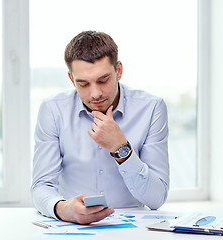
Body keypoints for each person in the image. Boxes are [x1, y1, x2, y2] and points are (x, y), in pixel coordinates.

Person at [31, 30, 169, 224]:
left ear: (118, 70)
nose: (95, 94)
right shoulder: (53, 109)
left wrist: (121, 148)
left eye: (103, 80)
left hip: (133, 228)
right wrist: (64, 209)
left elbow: (156, 198)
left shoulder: (151, 108)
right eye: (83, 84)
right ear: (71, 79)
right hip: (72, 229)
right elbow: (41, 186)